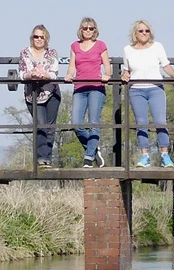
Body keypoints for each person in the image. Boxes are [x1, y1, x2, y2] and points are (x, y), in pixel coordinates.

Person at [121, 19, 174, 167]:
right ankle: (145, 156)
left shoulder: (157, 47)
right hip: (136, 90)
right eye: (141, 31)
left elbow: (165, 65)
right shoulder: (127, 50)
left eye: (147, 31)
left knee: (160, 121)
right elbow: (126, 70)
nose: (144, 33)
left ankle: (164, 155)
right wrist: (124, 76)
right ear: (135, 33)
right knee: (141, 123)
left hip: (155, 88)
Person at [66, 18, 109, 167]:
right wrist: (69, 75)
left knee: (93, 122)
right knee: (76, 123)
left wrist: (106, 75)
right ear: (81, 29)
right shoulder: (75, 46)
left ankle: (89, 158)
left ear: (95, 29)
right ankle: (93, 147)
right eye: (85, 28)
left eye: (91, 28)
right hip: (79, 87)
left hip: (96, 87)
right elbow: (72, 66)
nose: (88, 31)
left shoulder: (100, 45)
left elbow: (107, 67)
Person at [17, 24, 62, 167]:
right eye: (36, 36)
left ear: (46, 38)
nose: (38, 39)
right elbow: (22, 73)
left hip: (52, 92)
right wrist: (31, 75)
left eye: (41, 37)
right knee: (40, 125)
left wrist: (44, 75)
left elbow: (54, 73)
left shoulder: (52, 53)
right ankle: (41, 158)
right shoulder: (24, 53)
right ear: (32, 38)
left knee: (50, 127)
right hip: (33, 94)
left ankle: (47, 158)